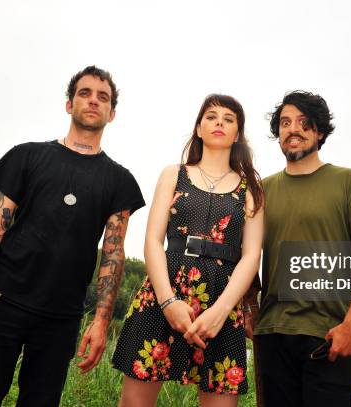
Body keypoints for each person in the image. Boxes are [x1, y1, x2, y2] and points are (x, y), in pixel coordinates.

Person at [0, 66, 145, 407]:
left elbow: (113, 254)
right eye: (84, 93)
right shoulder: (27, 156)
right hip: (0, 302)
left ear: (112, 114)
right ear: (69, 104)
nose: (93, 101)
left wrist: (99, 323)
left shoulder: (119, 180)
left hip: (61, 316)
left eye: (103, 97)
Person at [112, 94, 264, 407]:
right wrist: (168, 302)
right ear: (198, 128)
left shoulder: (251, 187)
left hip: (222, 303)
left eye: (228, 118)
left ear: (237, 134)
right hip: (163, 292)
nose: (219, 122)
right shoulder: (173, 173)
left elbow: (251, 256)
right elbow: (153, 241)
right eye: (211, 116)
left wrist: (220, 312)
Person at [250, 91, 351, 406]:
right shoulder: (262, 190)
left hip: (330, 336)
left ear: (320, 131)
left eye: (303, 122)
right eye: (285, 123)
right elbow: (247, 257)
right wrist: (249, 311)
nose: (293, 129)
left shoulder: (348, 182)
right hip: (273, 335)